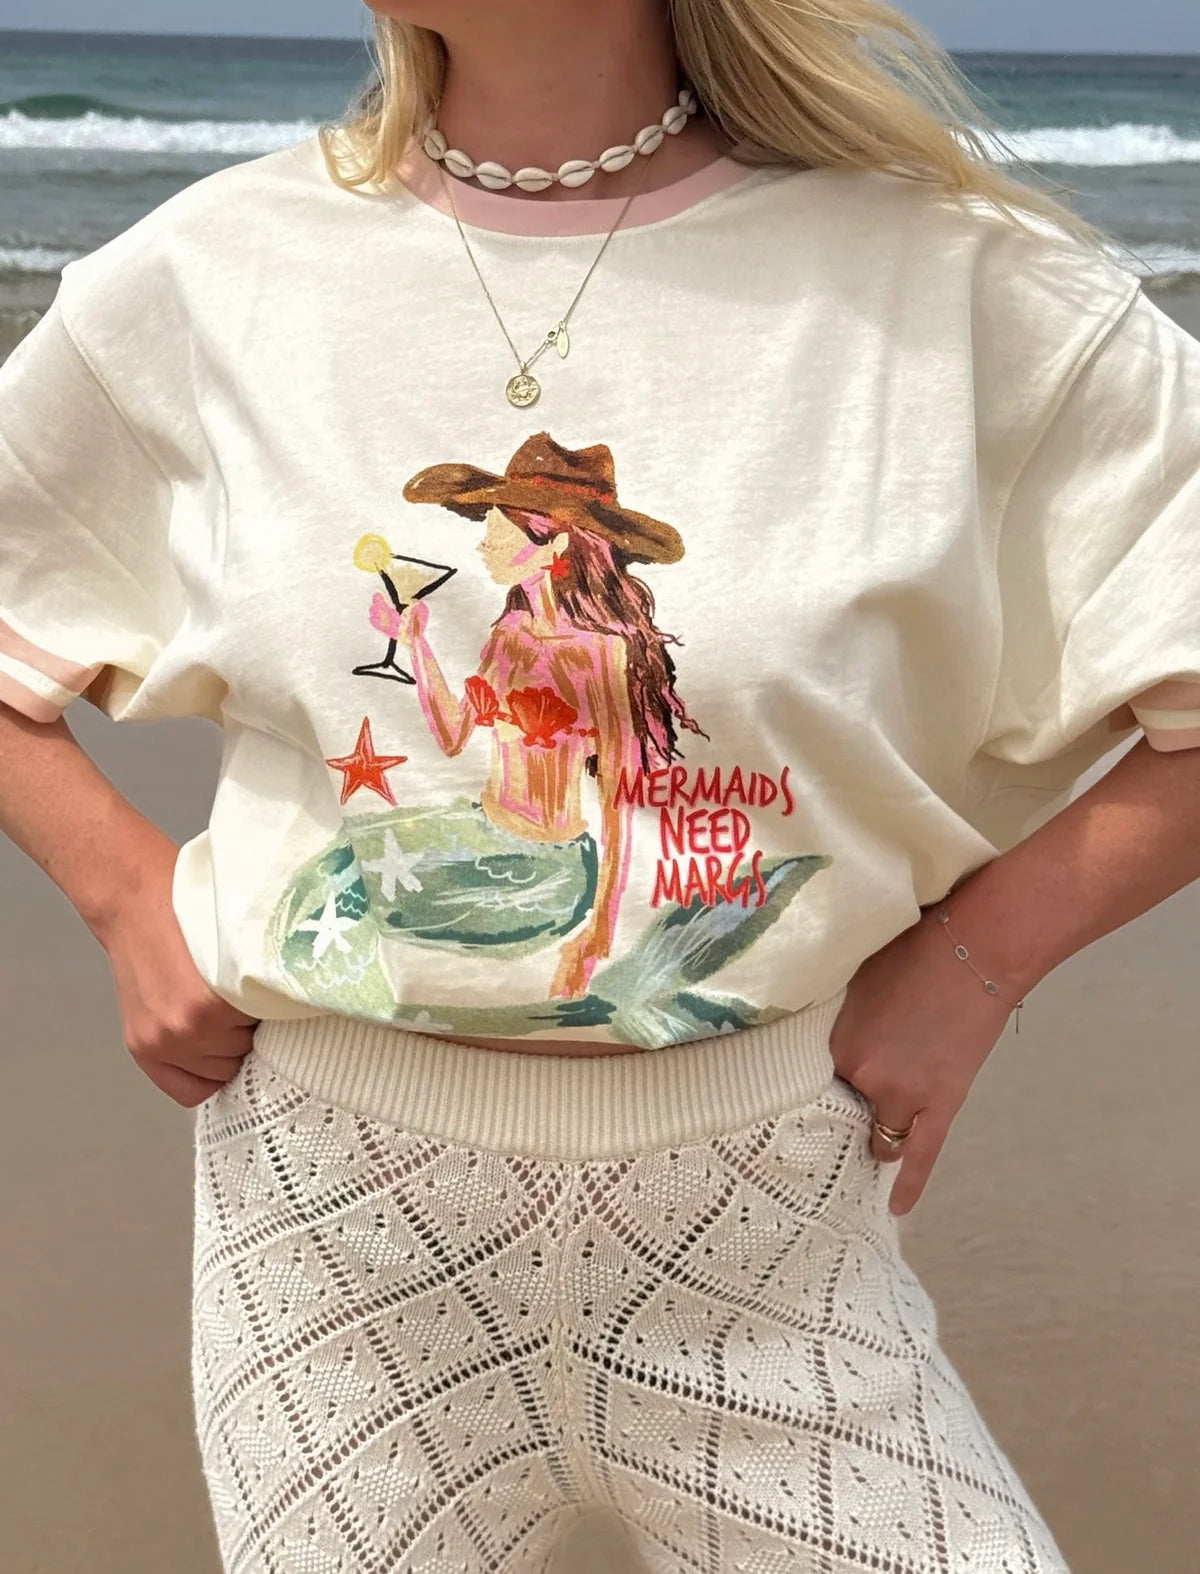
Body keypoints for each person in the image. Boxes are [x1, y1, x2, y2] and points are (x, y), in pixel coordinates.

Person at [1, 1, 1198, 1570]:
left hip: (767, 1239)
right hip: (331, 1252)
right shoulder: (211, 273)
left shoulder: (962, 287)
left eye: (518, 524)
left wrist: (980, 961)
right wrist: (122, 896)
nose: (501, 542)